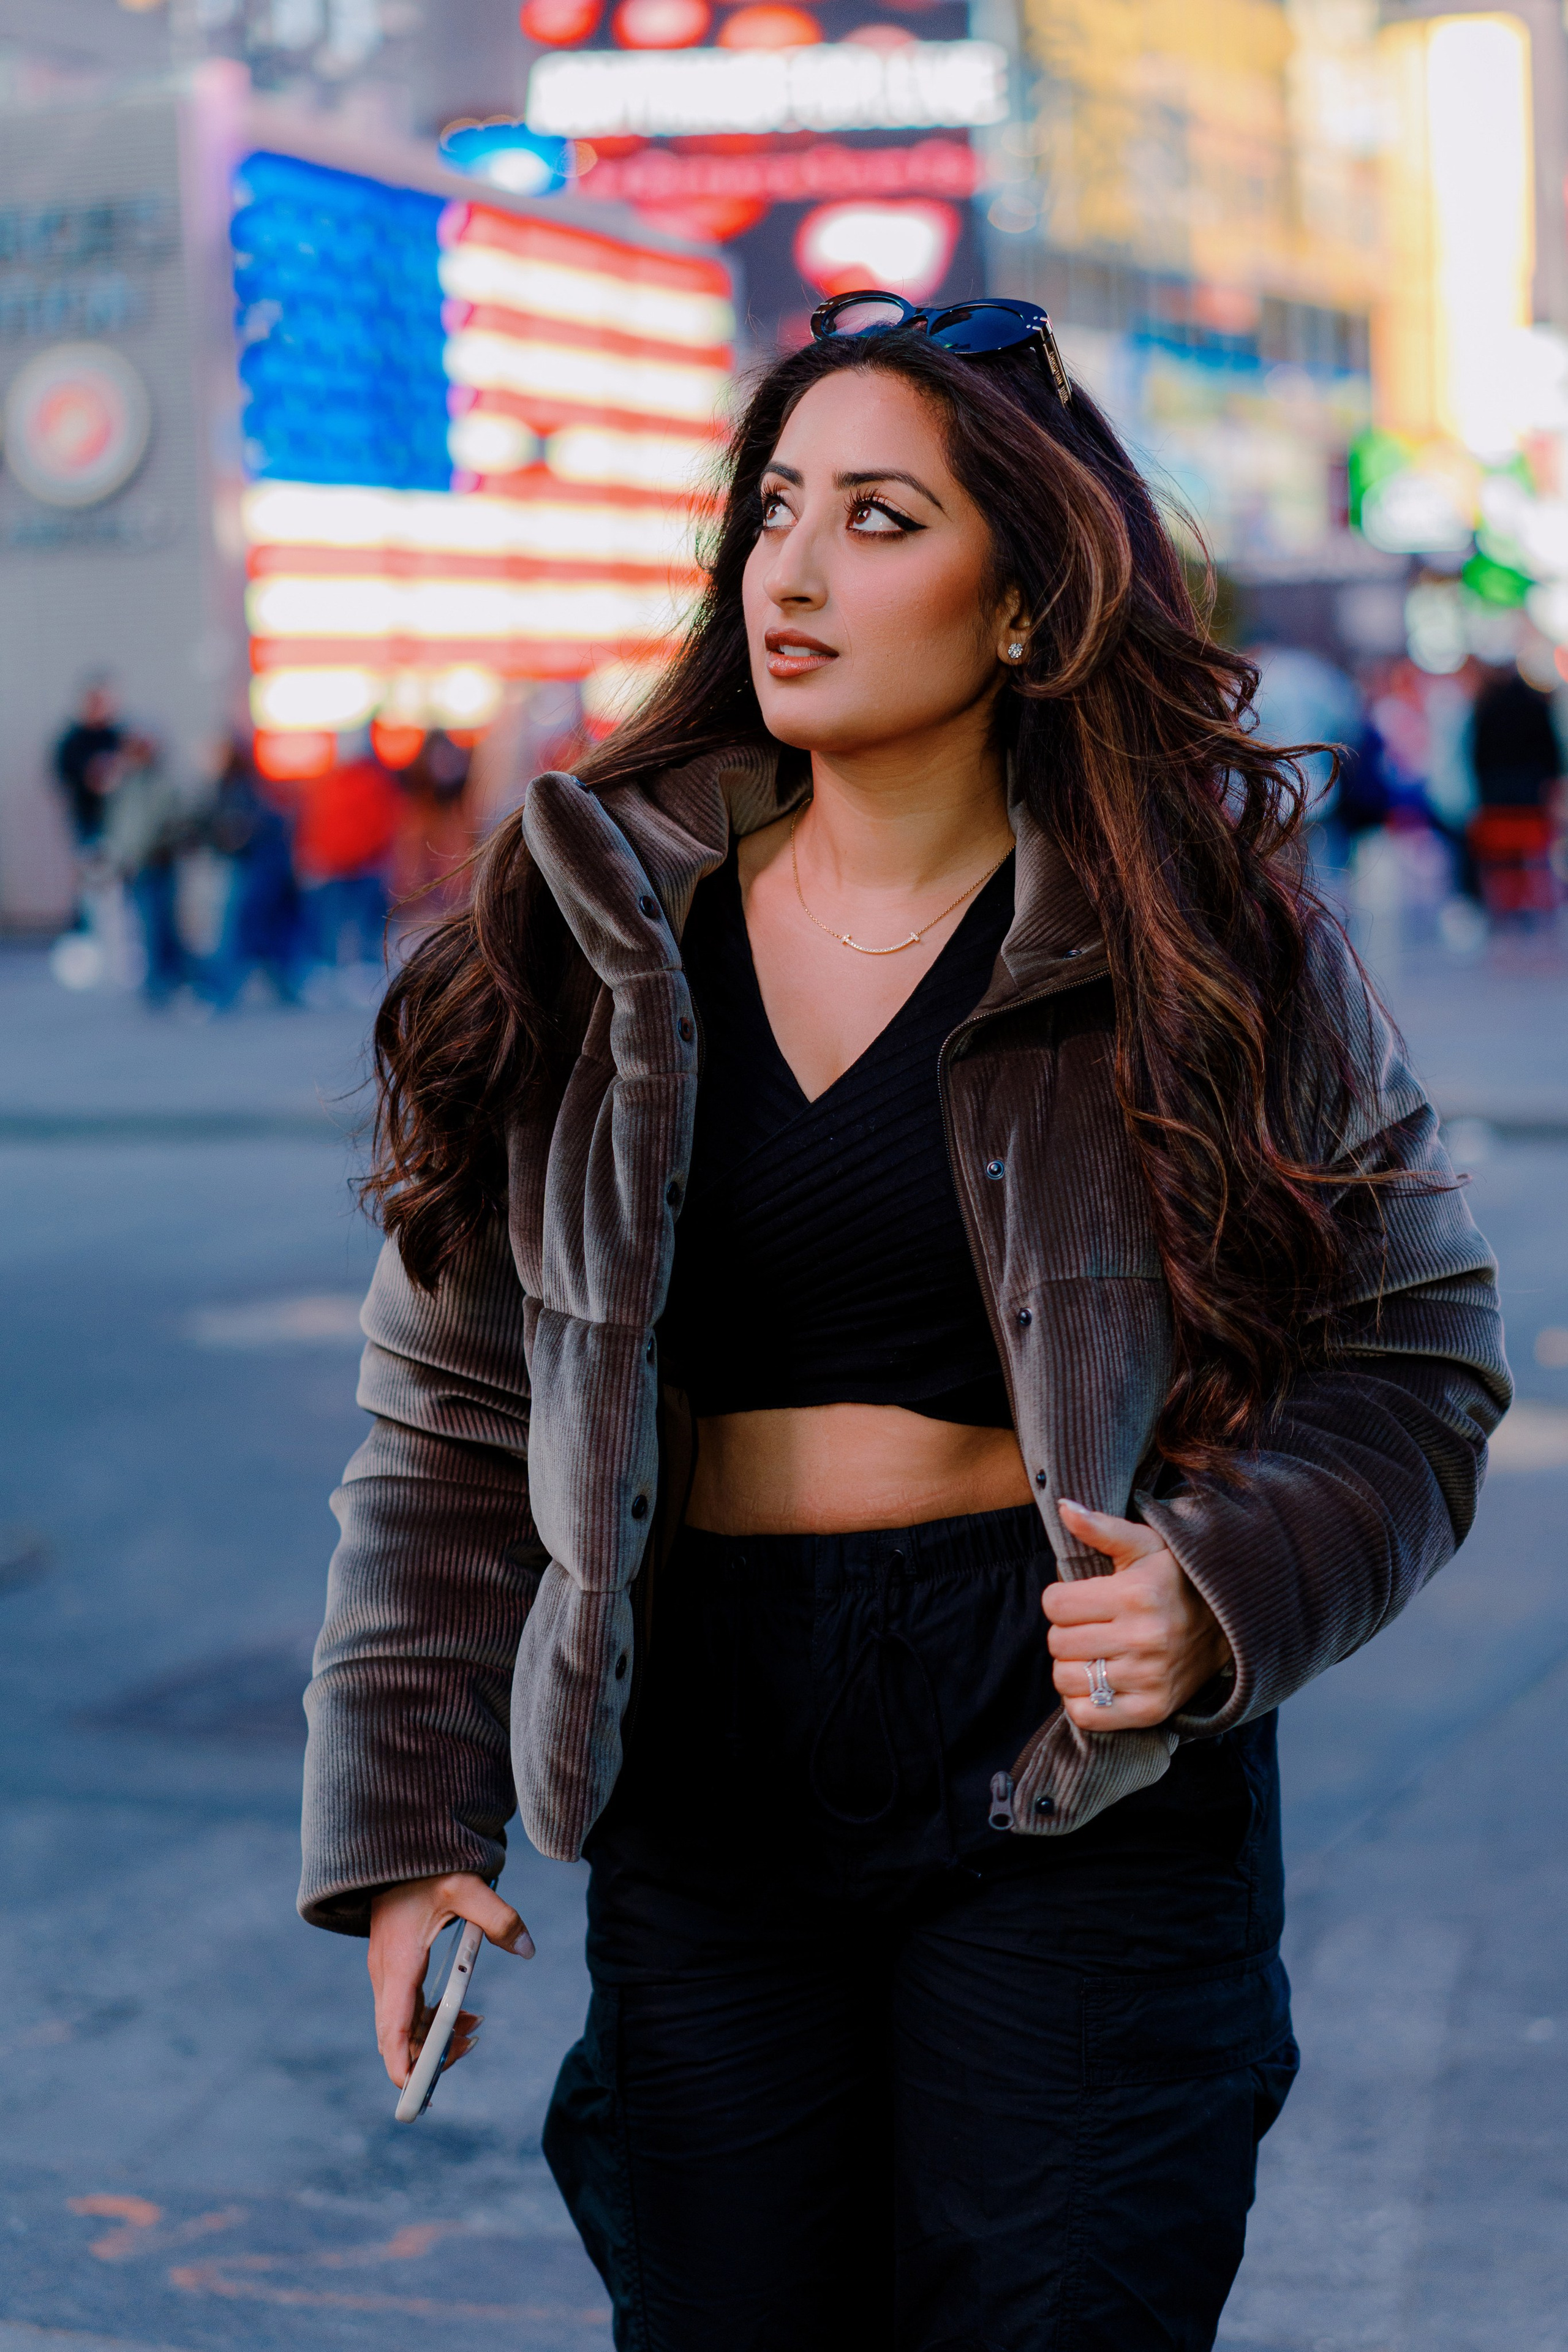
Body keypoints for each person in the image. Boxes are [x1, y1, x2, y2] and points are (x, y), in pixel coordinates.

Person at [298, 296, 1510, 2350]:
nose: (792, 572)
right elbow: (451, 1424)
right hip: (705, 1751)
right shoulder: (591, 939)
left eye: (878, 520)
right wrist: (411, 1828)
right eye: (776, 511)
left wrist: (1225, 1586)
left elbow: (1416, 1353)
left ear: (1024, 608)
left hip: (1066, 1747)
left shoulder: (1201, 951)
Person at [203, 736, 304, 1009]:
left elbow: (243, 830)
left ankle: (224, 993)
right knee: (259, 934)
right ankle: (279, 988)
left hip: (254, 871)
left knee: (241, 932)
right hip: (254, 870)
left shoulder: (243, 791)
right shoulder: (244, 789)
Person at [52, 674, 124, 852]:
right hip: (88, 816)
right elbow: (63, 775)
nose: (100, 706)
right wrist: (91, 775)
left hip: (123, 818)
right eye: (95, 701)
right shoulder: (73, 740)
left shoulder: (119, 736)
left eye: (104, 701)